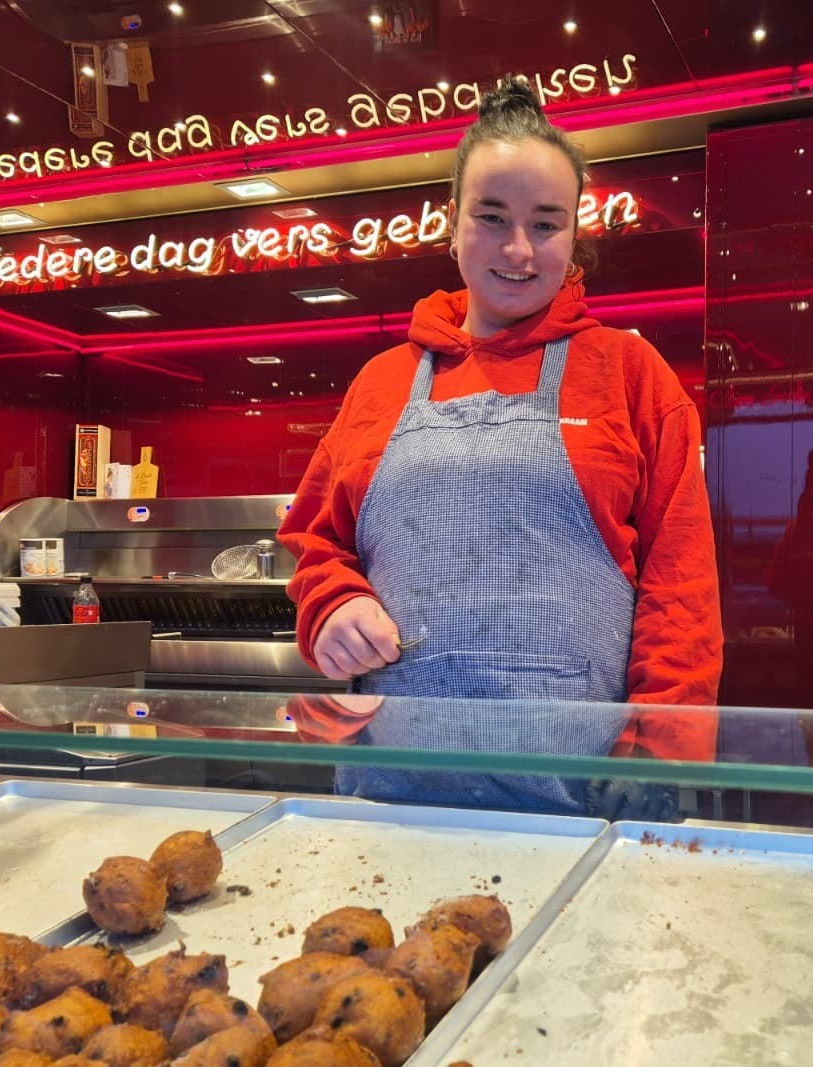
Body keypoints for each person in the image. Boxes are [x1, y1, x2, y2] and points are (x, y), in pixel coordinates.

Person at [279, 77, 721, 815]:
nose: (519, 248)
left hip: (584, 794)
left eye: (546, 223)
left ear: (574, 235)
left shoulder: (630, 372)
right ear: (452, 223)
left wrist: (661, 750)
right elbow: (318, 543)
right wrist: (333, 605)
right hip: (391, 790)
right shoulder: (381, 382)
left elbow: (681, 589)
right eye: (491, 217)